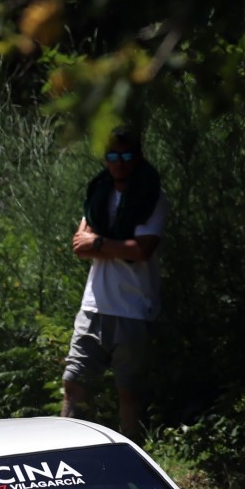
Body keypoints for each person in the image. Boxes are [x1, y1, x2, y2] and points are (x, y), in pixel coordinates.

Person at [63, 125, 166, 436]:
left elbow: (142, 250)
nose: (119, 162)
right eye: (112, 155)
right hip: (94, 306)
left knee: (129, 392)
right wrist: (113, 245)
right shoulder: (98, 194)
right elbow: (80, 245)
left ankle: (131, 458)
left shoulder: (152, 197)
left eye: (125, 155)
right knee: (74, 380)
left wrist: (98, 243)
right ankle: (66, 448)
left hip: (133, 308)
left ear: (137, 156)